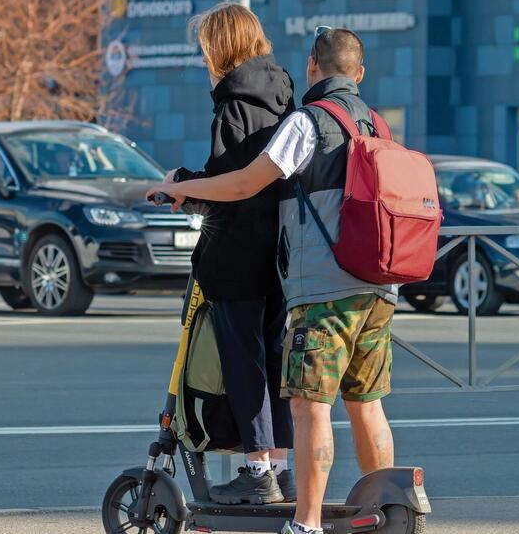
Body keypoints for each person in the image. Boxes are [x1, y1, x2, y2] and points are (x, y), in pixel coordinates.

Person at [148, 27, 397, 534]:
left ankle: (304, 525)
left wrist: (184, 187)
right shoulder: (376, 125)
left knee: (309, 407)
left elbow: (245, 183)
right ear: (361, 74)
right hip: (377, 286)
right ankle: (388, 507)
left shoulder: (308, 122)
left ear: (312, 66)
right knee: (367, 406)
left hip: (324, 289)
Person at [167, 1, 296, 505]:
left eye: (206, 49)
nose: (204, 59)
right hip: (281, 255)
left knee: (244, 365)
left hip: (237, 254)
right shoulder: (284, 97)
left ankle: (256, 471)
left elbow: (232, 184)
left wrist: (180, 186)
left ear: (222, 46)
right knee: (274, 362)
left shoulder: (233, 104)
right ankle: (281, 470)